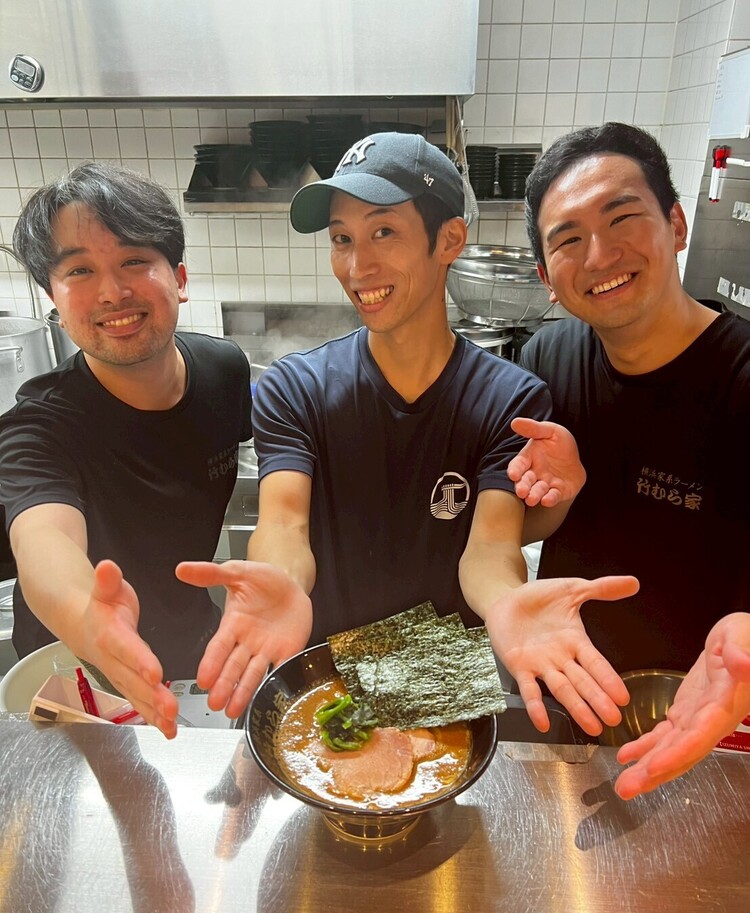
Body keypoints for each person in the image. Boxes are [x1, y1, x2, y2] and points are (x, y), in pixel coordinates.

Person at [191, 131, 640, 735]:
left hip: (440, 672)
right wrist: (276, 578)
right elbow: (282, 524)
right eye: (342, 239)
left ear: (448, 240)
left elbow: (491, 546)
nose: (357, 266)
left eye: (383, 233)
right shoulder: (295, 388)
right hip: (323, 657)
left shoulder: (509, 398)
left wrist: (507, 603)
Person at [509, 121, 750, 798]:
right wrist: (558, 497)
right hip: (569, 698)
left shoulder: (741, 378)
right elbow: (525, 530)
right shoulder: (546, 361)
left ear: (676, 224)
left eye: (623, 218)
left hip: (705, 715)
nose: (599, 254)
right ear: (546, 277)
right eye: (567, 240)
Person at [0, 162, 253, 737]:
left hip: (192, 654)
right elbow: (43, 539)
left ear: (179, 278)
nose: (112, 292)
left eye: (134, 261)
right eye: (80, 270)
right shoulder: (36, 427)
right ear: (53, 297)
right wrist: (87, 615)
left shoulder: (224, 370)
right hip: (73, 671)